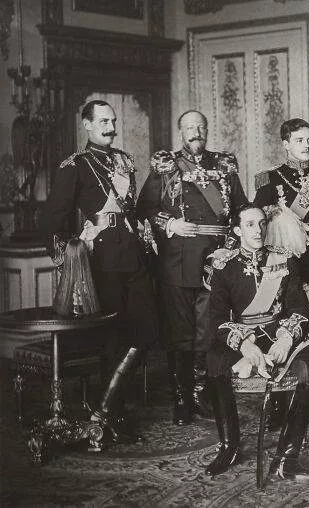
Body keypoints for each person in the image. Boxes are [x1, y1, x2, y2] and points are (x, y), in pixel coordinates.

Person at [41, 99, 158, 446]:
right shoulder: (74, 166)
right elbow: (51, 220)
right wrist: (75, 247)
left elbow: (134, 210)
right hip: (103, 261)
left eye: (113, 120)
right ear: (87, 125)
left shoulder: (124, 160)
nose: (110, 127)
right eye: (103, 121)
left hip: (135, 257)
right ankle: (113, 414)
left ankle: (102, 409)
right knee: (114, 338)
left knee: (147, 331)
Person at [136, 110, 248, 425]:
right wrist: (170, 222)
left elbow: (240, 208)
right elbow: (144, 209)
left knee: (211, 329)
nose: (195, 132)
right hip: (177, 258)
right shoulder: (166, 165)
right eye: (189, 127)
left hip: (217, 258)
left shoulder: (224, 164)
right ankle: (182, 399)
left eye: (200, 126)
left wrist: (235, 243)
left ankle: (205, 393)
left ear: (207, 129)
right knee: (179, 331)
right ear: (180, 132)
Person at [204, 204, 309, 483]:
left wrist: (286, 337)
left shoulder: (285, 259)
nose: (258, 230)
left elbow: (299, 308)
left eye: (261, 223)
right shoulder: (223, 266)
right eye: (250, 225)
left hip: (278, 330)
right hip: (244, 334)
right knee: (213, 361)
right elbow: (217, 319)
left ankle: (286, 456)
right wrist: (244, 345)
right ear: (237, 230)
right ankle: (229, 447)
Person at [253, 118, 309, 345]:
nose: (307, 145)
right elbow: (257, 218)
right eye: (299, 140)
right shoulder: (270, 179)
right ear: (286, 144)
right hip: (289, 259)